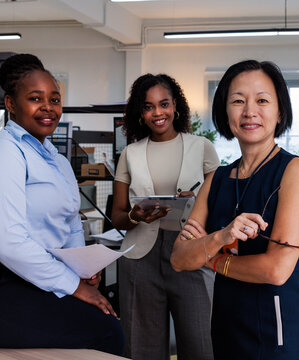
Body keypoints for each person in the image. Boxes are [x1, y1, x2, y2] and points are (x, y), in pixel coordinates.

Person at [0, 54, 124, 355]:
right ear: (11, 104)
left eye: (55, 99)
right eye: (35, 98)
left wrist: (82, 269)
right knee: (105, 330)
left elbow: (71, 220)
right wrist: (74, 287)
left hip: (29, 279)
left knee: (105, 316)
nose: (48, 107)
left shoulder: (58, 161)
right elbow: (8, 242)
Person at [170, 60, 299, 360]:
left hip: (279, 331)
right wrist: (220, 237)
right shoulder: (217, 179)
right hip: (226, 326)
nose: (250, 111)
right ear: (225, 111)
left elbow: (276, 270)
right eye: (238, 101)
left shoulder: (294, 171)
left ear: (280, 111)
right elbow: (179, 258)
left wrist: (210, 259)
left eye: (262, 100)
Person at [112, 73, 219, 360]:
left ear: (176, 106)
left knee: (201, 344)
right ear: (140, 113)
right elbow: (117, 216)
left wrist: (195, 202)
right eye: (148, 107)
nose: (157, 113)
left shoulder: (202, 148)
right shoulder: (130, 154)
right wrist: (136, 216)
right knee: (141, 347)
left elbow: (219, 205)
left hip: (191, 253)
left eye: (164, 104)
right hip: (139, 260)